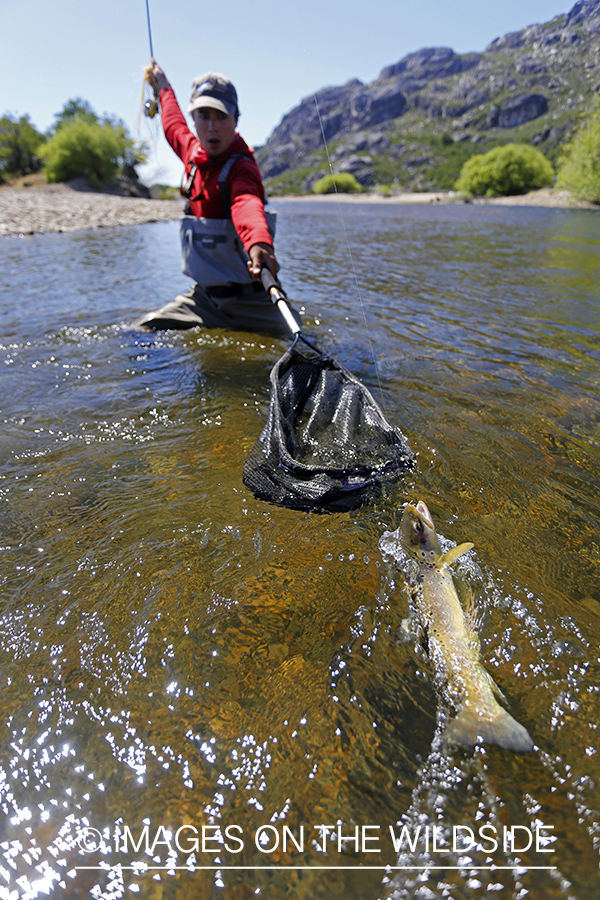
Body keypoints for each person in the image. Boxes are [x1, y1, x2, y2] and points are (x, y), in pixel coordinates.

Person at [132, 60, 301, 333]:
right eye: (204, 115)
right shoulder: (191, 154)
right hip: (204, 300)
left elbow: (247, 203)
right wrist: (163, 87)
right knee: (140, 331)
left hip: (254, 300)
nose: (212, 126)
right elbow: (172, 121)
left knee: (303, 345)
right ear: (194, 120)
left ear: (235, 120)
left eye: (221, 117)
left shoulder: (243, 167)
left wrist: (260, 244)